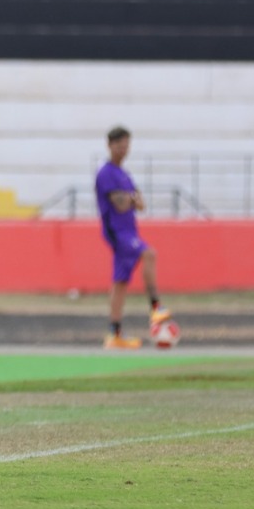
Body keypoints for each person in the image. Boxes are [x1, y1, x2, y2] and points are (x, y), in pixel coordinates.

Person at [95, 126, 172, 349]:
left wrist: (128, 198)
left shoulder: (124, 174)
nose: (123, 148)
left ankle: (114, 332)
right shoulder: (106, 173)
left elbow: (140, 203)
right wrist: (129, 198)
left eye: (126, 144)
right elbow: (120, 205)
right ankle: (155, 306)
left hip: (130, 230)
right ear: (110, 145)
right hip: (119, 232)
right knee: (149, 254)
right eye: (119, 144)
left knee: (120, 282)